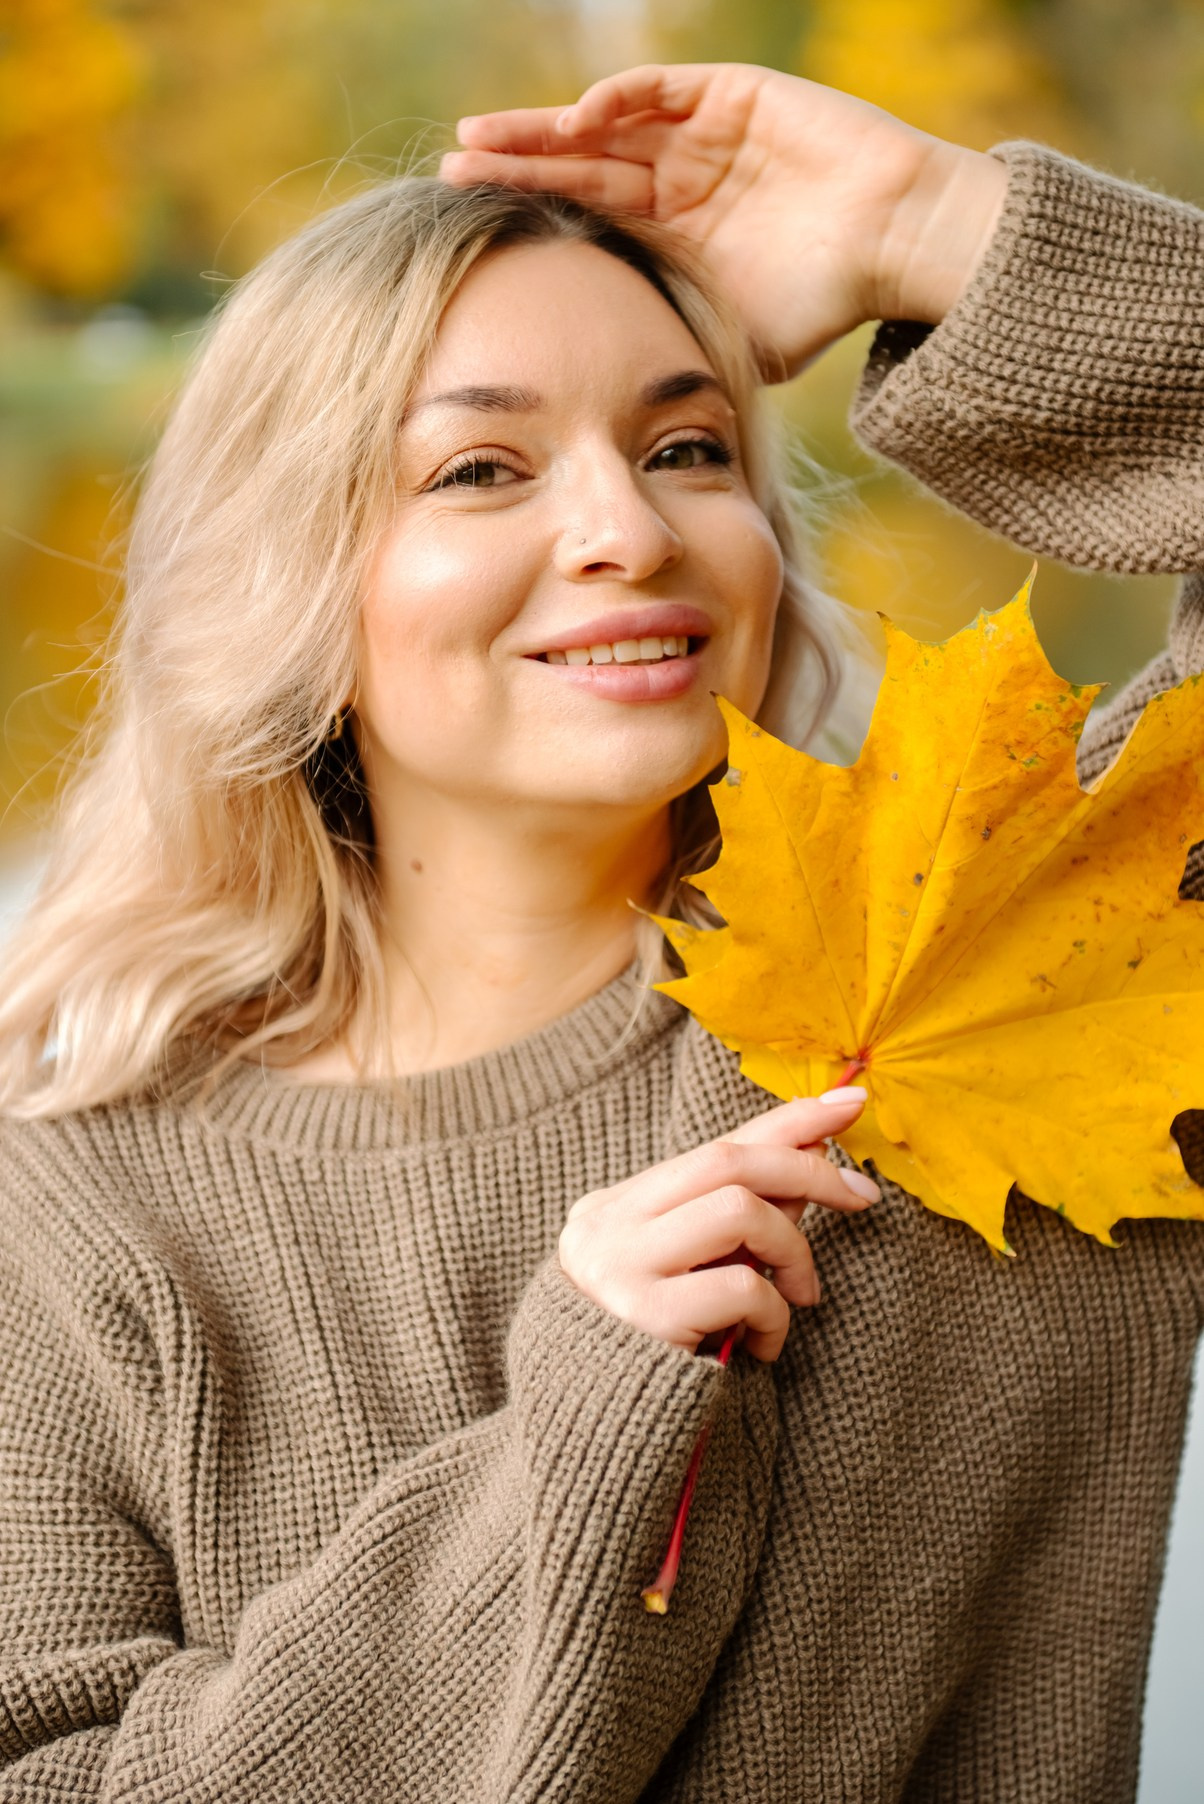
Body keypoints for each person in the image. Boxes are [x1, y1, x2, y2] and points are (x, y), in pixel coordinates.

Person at [0, 57, 1200, 1803]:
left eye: (688, 446)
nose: (629, 531)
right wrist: (580, 1431)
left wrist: (931, 229)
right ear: (285, 577)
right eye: (482, 468)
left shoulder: (998, 965)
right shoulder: (74, 1219)